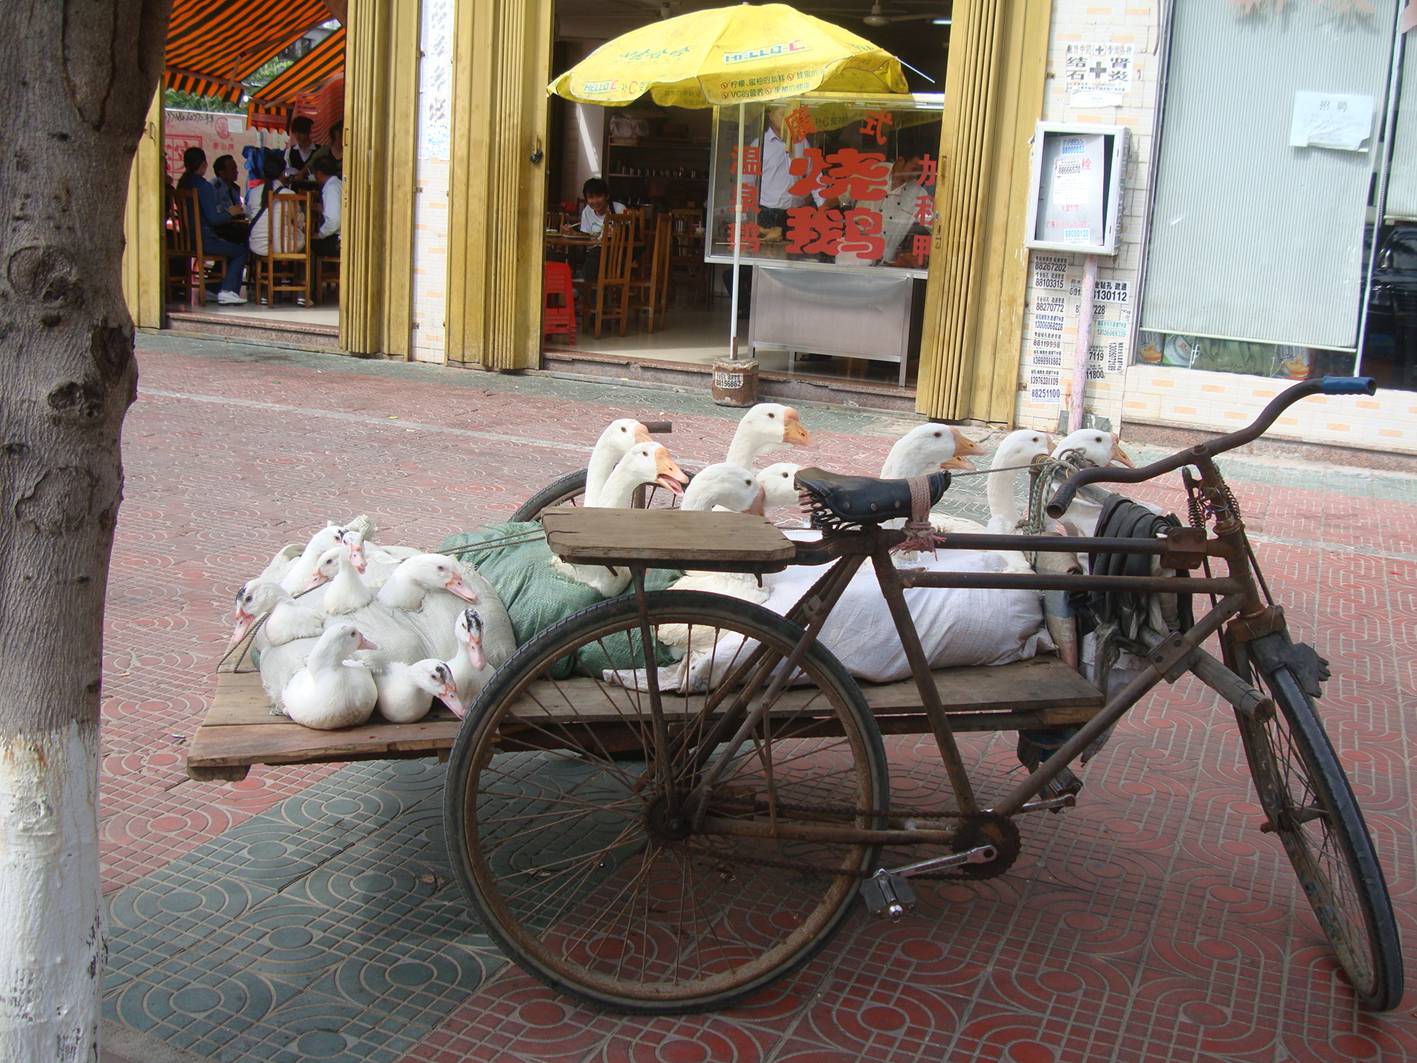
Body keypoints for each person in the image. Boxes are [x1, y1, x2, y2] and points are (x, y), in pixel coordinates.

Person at [176, 146, 248, 304]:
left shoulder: (183, 183)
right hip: (205, 239)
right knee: (240, 250)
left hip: (188, 238)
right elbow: (214, 219)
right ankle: (228, 290)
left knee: (230, 246)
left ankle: (213, 289)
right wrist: (231, 212)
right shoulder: (203, 186)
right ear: (203, 165)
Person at [562, 177, 626, 281]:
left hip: (617, 254)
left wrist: (617, 232)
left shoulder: (619, 209)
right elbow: (586, 237)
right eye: (591, 197)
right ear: (586, 199)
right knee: (569, 255)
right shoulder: (587, 211)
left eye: (599, 196)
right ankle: (578, 284)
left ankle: (586, 286)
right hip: (593, 254)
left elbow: (628, 235)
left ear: (607, 196)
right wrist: (573, 233)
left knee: (595, 255)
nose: (595, 201)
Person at [208, 154, 247, 243]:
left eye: (236, 169)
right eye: (232, 169)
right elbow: (215, 212)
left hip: (233, 225)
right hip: (219, 229)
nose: (236, 172)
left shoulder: (234, 188)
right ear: (222, 172)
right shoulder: (214, 187)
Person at [310, 154, 341, 258]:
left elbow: (334, 220)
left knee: (308, 244)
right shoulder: (338, 184)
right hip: (343, 236)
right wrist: (323, 210)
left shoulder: (331, 189)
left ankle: (313, 274)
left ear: (318, 174)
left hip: (338, 240)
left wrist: (320, 234)